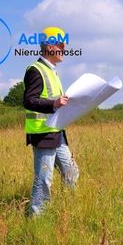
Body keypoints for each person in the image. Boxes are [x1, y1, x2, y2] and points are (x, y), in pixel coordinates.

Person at [23, 26, 79, 216]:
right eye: (61, 44)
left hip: (57, 132)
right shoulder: (35, 70)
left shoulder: (53, 71)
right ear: (49, 46)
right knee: (43, 179)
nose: (64, 48)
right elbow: (29, 100)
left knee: (71, 172)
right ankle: (36, 219)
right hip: (43, 133)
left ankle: (68, 210)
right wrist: (54, 103)